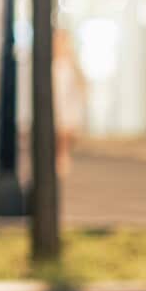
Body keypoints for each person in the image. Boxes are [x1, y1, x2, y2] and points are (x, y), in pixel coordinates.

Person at [51, 27, 87, 179]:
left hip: (67, 101)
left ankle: (62, 155)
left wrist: (82, 97)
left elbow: (80, 81)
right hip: (57, 100)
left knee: (66, 130)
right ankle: (59, 156)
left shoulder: (70, 62)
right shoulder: (52, 62)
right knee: (58, 130)